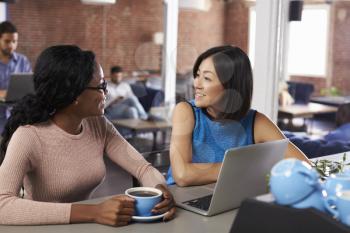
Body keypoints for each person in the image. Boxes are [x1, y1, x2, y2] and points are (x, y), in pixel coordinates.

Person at [0, 45, 175, 226]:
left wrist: (160, 191)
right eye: (101, 86)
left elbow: (143, 169)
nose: (106, 92)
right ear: (74, 94)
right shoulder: (28, 136)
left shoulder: (98, 125)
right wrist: (94, 212)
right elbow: (2, 205)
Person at [167, 45, 309, 186]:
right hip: (180, 200)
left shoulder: (256, 122)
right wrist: (246, 168)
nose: (196, 84)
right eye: (197, 75)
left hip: (226, 198)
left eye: (207, 78)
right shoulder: (186, 111)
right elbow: (182, 175)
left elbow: (304, 166)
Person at [0, 21, 32, 131]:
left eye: (14, 41)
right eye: (7, 41)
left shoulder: (23, 61)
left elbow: (29, 89)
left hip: (17, 124)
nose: (11, 45)